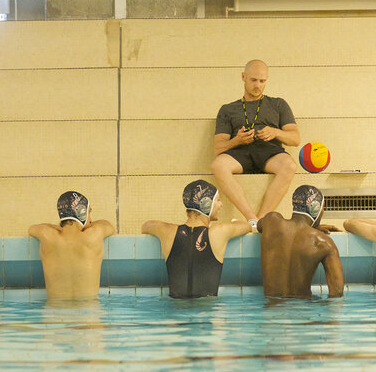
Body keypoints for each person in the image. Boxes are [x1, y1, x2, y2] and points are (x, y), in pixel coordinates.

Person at [211, 59, 301, 227]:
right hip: (240, 152)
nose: (258, 85)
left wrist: (274, 132)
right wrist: (237, 140)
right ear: (243, 77)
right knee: (218, 165)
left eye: (262, 81)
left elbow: (295, 139)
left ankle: (261, 219)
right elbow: (218, 148)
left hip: (269, 151)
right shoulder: (227, 109)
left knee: (289, 166)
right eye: (253, 80)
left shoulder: (278, 104)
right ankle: (251, 217)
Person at [141, 180, 252, 299]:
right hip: (206, 312)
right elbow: (247, 226)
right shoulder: (219, 232)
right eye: (218, 200)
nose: (221, 205)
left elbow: (146, 226)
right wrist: (234, 222)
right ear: (206, 203)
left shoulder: (167, 231)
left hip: (176, 310)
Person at [257, 185, 343, 298]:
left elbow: (259, 225)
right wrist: (312, 229)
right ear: (315, 208)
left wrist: (309, 228)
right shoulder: (324, 243)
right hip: (303, 309)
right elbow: (337, 293)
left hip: (271, 311)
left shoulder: (271, 221)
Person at [28, 191, 115, 299]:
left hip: (55, 311)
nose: (91, 220)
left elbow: (32, 228)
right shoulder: (94, 233)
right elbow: (108, 225)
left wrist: (58, 228)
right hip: (89, 311)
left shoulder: (47, 235)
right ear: (81, 212)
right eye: (89, 212)